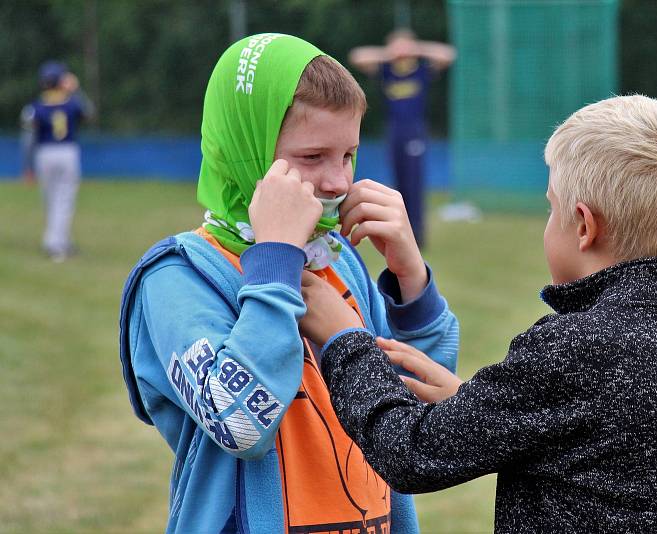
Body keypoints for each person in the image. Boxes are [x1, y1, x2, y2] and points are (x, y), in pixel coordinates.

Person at [301, 95, 657, 532]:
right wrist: (475, 404)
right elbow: (606, 448)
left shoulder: (576, 347)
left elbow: (410, 452)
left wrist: (346, 340)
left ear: (583, 226)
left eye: (550, 208)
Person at [118, 34, 458, 534]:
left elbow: (419, 406)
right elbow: (240, 424)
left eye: (348, 155)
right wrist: (274, 264)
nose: (340, 182)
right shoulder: (178, 279)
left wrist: (412, 281)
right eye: (313, 157)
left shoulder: (338, 264)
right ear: (245, 153)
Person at [349, 29, 456, 249]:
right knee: (398, 186)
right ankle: (400, 232)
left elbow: (448, 54)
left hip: (414, 130)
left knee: (413, 183)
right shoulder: (387, 69)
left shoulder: (420, 69)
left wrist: (416, 49)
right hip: (394, 130)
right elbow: (357, 56)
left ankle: (417, 237)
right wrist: (390, 53)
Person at [21, 61, 93, 262]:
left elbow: (28, 139)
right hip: (67, 152)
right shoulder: (71, 102)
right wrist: (76, 90)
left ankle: (60, 240)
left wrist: (27, 166)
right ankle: (55, 243)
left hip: (44, 153)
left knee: (50, 198)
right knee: (64, 200)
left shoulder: (35, 107)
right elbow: (89, 112)